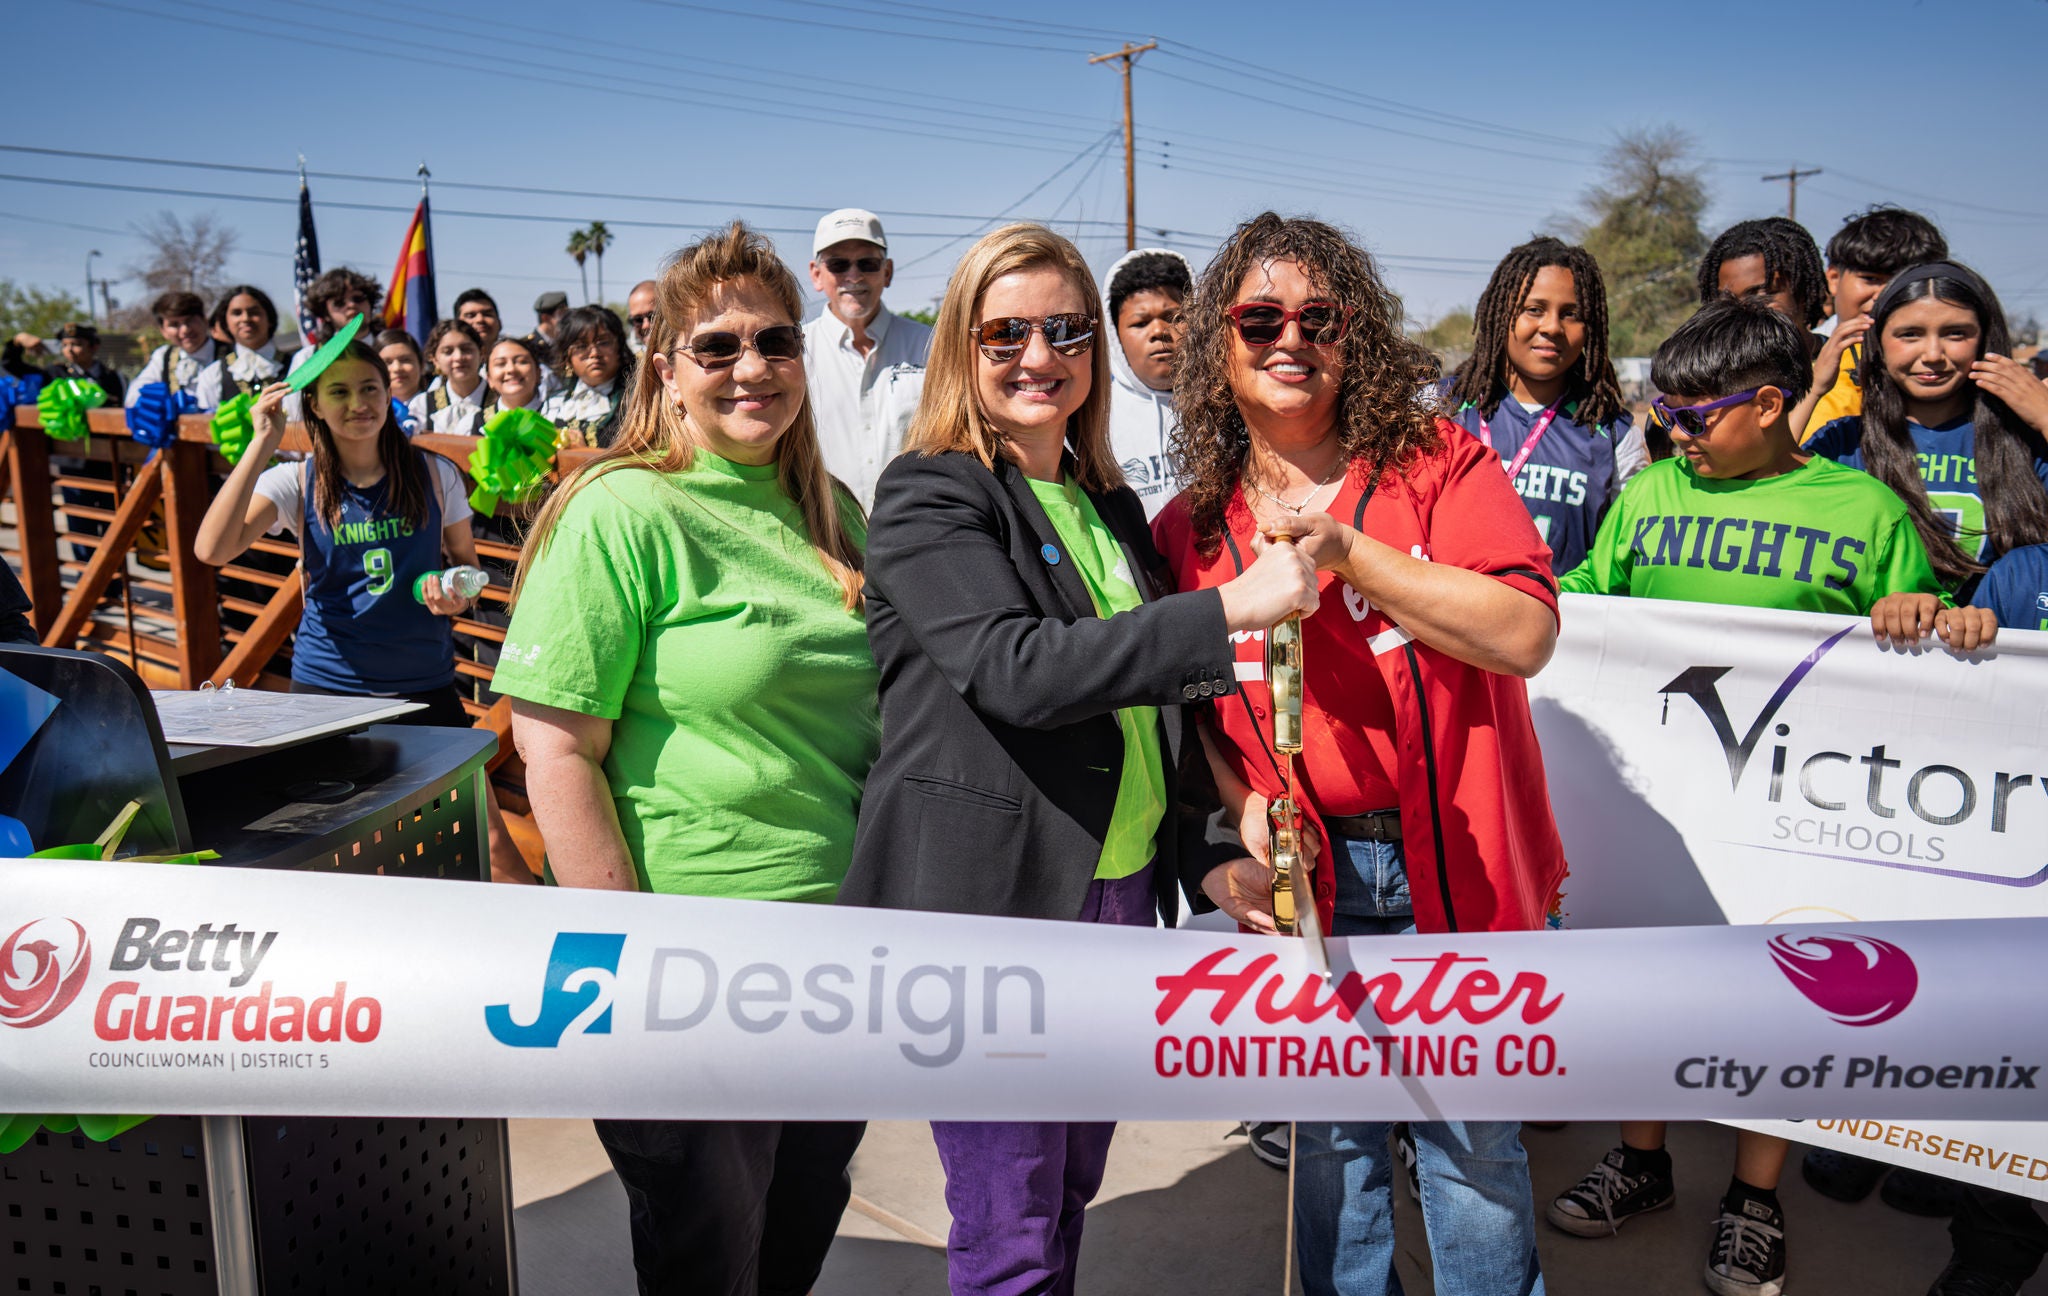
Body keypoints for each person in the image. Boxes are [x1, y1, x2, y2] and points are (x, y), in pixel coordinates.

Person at [838, 221, 1315, 1296]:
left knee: (1065, 1193)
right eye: (1003, 334)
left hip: (1112, 905)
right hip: (993, 916)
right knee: (1007, 1228)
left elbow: (1149, 712)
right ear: (959, 348)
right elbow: (1020, 670)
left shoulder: (1106, 506)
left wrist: (1204, 852)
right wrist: (1227, 607)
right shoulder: (928, 493)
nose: (1037, 356)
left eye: (1063, 330)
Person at [1151, 211, 1561, 1296]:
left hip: (1452, 870)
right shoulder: (1185, 527)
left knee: (1469, 1151)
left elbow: (1523, 635)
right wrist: (1232, 814)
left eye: (1319, 317)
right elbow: (1192, 707)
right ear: (1214, 346)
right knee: (1329, 1150)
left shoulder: (1436, 464)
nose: (1290, 338)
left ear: (1356, 338)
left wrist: (1346, 550)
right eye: (1257, 318)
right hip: (1308, 878)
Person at [1552, 298, 1992, 1296]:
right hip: (1656, 799)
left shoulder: (1863, 512)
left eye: (1694, 414)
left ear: (1771, 403)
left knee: (1774, 999)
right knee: (1646, 984)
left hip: (1798, 813)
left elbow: (1928, 653)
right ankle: (1641, 1159)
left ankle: (1752, 1194)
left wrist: (1926, 614)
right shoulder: (1652, 491)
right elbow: (1584, 597)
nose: (1673, 431)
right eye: (1664, 410)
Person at [495, 221, 872, 1296]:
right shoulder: (619, 509)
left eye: (774, 342)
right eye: (717, 346)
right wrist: (630, 963)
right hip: (688, 971)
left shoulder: (830, 511)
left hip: (839, 957)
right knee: (707, 1256)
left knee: (797, 1231)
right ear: (666, 369)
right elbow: (554, 753)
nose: (751, 367)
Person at [190, 339, 531, 886]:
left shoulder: (434, 473)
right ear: (316, 407)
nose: (358, 403)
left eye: (369, 388)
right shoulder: (295, 480)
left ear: (389, 393)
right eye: (339, 392)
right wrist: (261, 444)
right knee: (331, 850)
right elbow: (212, 549)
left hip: (423, 687)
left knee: (490, 839)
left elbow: (468, 568)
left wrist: (457, 592)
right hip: (328, 694)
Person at [1806, 261, 2048, 599]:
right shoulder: (1843, 443)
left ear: (1984, 341)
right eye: (1910, 334)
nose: (1933, 354)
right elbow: (1756, 494)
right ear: (1877, 343)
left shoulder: (2026, 443)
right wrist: (1813, 389)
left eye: (1956, 334)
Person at [1438, 236, 1634, 575]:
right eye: (1534, 309)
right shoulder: (1440, 408)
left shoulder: (1614, 433)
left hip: (1561, 623)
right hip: (1444, 620)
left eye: (1571, 314)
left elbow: (1618, 561)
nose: (1553, 327)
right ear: (1502, 314)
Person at [801, 207, 934, 507]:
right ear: (816, 274)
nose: (854, 275)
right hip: (826, 536)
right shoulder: (794, 352)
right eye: (838, 264)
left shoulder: (931, 346)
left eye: (867, 263)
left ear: (887, 272)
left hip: (916, 531)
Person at [1801, 207, 1950, 438]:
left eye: (1902, 283)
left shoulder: (1944, 367)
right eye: (1871, 279)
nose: (1884, 296)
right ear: (1833, 278)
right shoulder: (1800, 359)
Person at [1101, 247, 1193, 517]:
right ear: (1115, 334)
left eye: (1173, 318)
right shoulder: (1096, 417)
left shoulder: (1228, 404)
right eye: (1140, 323)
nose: (1158, 332)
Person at [541, 304, 633, 447]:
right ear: (567, 357)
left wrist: (583, 455)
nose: (594, 353)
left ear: (619, 347)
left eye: (603, 343)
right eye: (581, 346)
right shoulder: (554, 403)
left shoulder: (637, 399)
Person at [193, 285, 283, 410]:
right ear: (226, 322)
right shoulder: (212, 375)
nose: (245, 318)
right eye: (237, 313)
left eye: (254, 312)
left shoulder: (296, 366)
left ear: (269, 318)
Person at [123, 290, 216, 407]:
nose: (185, 330)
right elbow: (134, 396)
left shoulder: (230, 354)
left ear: (204, 321)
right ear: (163, 331)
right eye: (174, 324)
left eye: (190, 320)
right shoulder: (164, 356)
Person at [5, 322, 127, 404]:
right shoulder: (56, 373)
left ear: (94, 347)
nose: (69, 350)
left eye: (76, 344)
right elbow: (11, 366)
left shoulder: (114, 377)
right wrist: (17, 342)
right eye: (64, 345)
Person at [410, 319, 491, 434]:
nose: (458, 357)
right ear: (434, 359)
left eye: (466, 349)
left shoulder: (501, 400)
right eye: (448, 351)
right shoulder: (423, 405)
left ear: (481, 353)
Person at [484, 334, 548, 415]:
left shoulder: (559, 418)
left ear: (538, 372)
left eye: (522, 361)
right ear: (489, 379)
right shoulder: (474, 424)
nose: (511, 369)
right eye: (501, 363)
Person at [376, 328, 426, 406]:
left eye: (405, 360)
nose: (397, 368)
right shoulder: (369, 413)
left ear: (421, 365)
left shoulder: (444, 409)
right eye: (387, 363)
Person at [626, 278, 658, 354]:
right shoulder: (636, 362)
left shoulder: (687, 357)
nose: (645, 325)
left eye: (652, 316)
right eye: (638, 319)